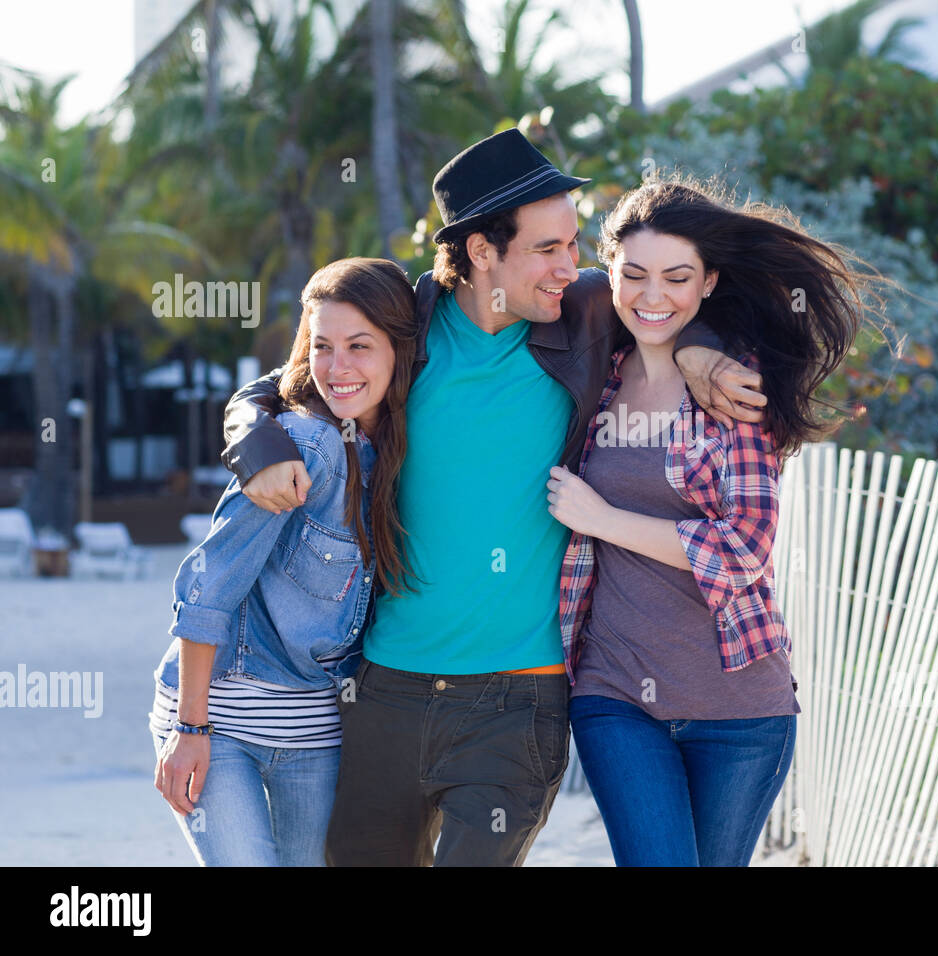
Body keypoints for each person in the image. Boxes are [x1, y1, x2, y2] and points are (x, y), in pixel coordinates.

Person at [217, 130, 767, 866]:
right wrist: (255, 444)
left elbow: (671, 300)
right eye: (548, 249)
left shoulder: (586, 314)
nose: (572, 267)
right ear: (481, 251)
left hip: (521, 701)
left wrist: (699, 351)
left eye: (575, 245)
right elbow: (283, 384)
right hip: (387, 689)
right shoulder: (405, 323)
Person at [547, 177, 879, 866]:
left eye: (677, 278)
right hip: (615, 695)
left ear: (709, 283)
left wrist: (602, 517)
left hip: (740, 708)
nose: (652, 296)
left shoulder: (735, 389)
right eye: (633, 275)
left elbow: (743, 553)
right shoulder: (595, 376)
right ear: (607, 275)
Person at [150, 257, 419, 866]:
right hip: (221, 721)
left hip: (316, 732)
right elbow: (209, 586)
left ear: (399, 351)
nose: (337, 368)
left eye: (359, 346)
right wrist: (190, 732)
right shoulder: (302, 445)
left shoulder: (402, 447)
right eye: (321, 346)